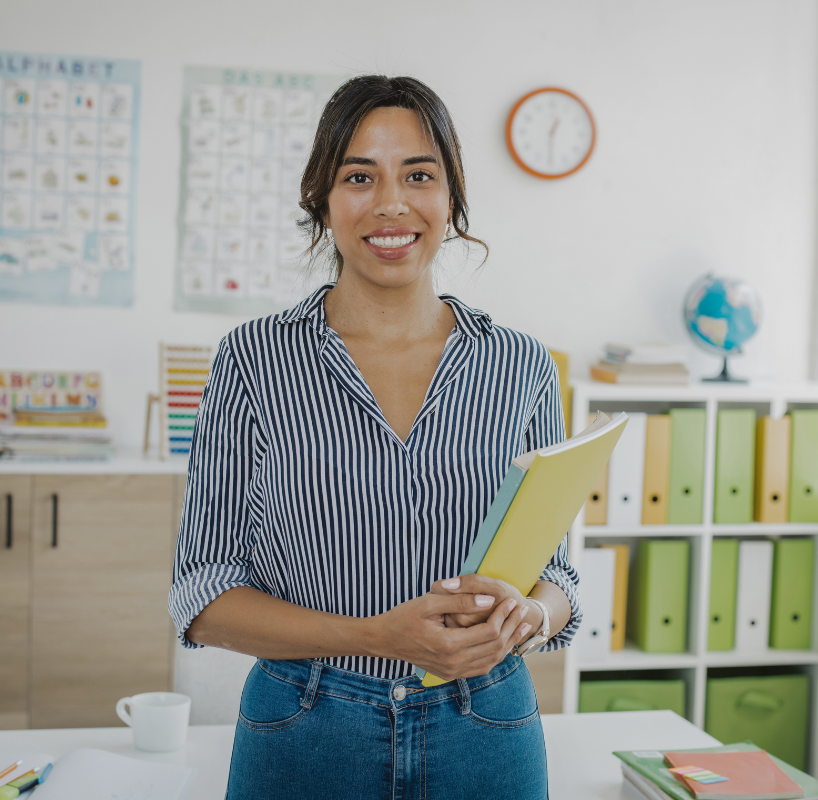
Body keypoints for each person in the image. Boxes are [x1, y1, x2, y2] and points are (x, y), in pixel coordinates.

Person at [168, 75, 581, 800]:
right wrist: (375, 637)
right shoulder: (253, 360)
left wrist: (531, 617)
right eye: (360, 176)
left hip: (487, 724)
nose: (391, 203)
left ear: (449, 198)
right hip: (304, 726)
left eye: (418, 174)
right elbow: (203, 594)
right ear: (322, 202)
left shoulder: (520, 365)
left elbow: (560, 580)